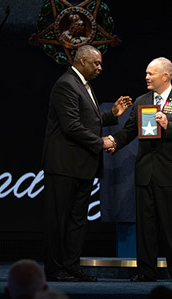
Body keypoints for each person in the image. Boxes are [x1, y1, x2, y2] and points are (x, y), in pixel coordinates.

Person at [42, 45, 132, 282]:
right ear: (81, 61)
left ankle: (71, 266)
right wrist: (102, 142)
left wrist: (112, 114)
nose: (100, 68)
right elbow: (71, 126)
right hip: (63, 165)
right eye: (96, 63)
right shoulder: (66, 84)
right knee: (59, 219)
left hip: (82, 166)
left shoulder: (83, 85)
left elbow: (89, 119)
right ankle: (55, 269)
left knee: (77, 220)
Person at [110, 57, 172, 282]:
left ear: (165, 76)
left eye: (151, 74)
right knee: (146, 226)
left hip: (171, 175)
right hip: (145, 173)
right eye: (146, 73)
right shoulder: (142, 100)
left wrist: (168, 126)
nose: (147, 77)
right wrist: (113, 141)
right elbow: (130, 130)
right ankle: (146, 270)